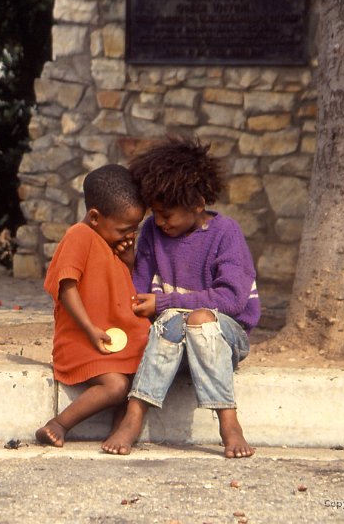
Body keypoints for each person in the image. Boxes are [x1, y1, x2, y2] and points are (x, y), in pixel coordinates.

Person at [101, 136, 260, 458]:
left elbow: (231, 300)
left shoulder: (226, 233)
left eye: (167, 214)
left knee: (197, 318)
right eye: (156, 213)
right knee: (174, 320)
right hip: (170, 341)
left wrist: (163, 303)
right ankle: (135, 415)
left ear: (197, 204)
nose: (160, 222)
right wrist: (131, 264)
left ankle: (229, 422)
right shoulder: (152, 231)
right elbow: (140, 293)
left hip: (224, 339)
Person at [35, 164, 151, 447]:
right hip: (85, 341)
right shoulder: (80, 235)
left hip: (114, 341)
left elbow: (121, 284)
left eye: (135, 228)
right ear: (95, 217)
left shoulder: (111, 242)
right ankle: (59, 424)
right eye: (125, 229)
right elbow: (66, 285)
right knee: (117, 385)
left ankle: (119, 430)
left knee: (145, 372)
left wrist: (129, 261)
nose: (130, 235)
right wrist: (89, 328)